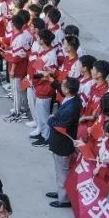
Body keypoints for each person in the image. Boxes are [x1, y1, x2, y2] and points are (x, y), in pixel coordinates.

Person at [44, 78, 82, 208]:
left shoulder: (71, 108)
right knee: (60, 170)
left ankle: (64, 198)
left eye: (63, 86)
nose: (61, 87)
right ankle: (61, 191)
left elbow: (60, 125)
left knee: (62, 171)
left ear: (67, 90)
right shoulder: (72, 99)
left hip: (62, 144)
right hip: (60, 143)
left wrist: (50, 120)